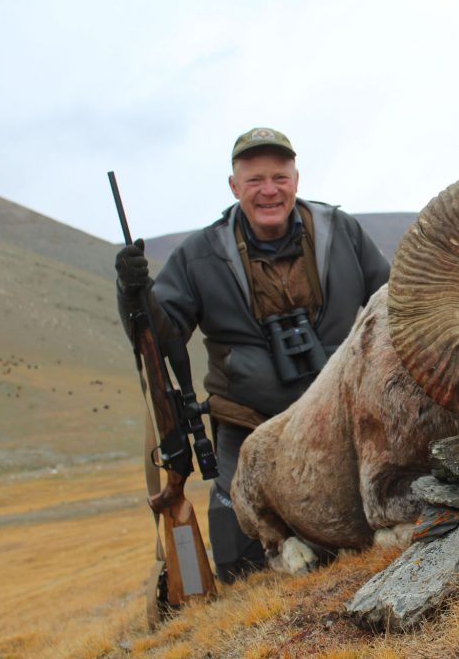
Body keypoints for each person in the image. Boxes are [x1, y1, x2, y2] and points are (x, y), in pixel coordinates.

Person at [115, 127, 390, 583]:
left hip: (341, 417)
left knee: (366, 523)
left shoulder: (342, 232)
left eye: (279, 178)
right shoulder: (199, 254)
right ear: (234, 186)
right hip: (245, 422)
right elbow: (161, 338)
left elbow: (391, 300)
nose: (269, 191)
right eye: (255, 179)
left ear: (296, 179)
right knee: (240, 566)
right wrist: (133, 294)